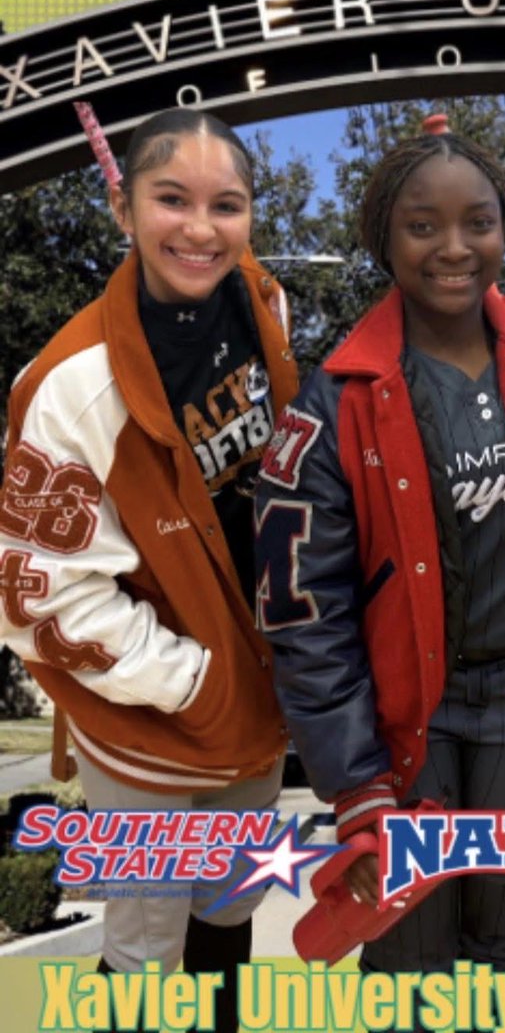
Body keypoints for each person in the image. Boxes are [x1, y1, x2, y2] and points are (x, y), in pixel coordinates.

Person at [254, 123, 505, 984]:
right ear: (382, 238)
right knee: (408, 947)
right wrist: (354, 779)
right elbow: (305, 613)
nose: (454, 248)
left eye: (478, 222)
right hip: (400, 708)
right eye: (422, 226)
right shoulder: (334, 405)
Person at [0, 108, 296, 1031]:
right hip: (149, 716)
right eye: (172, 200)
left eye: (226, 205)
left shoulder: (265, 302)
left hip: (257, 690)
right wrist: (200, 681)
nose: (200, 229)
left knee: (232, 906)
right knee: (145, 950)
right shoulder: (68, 386)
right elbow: (35, 599)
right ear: (123, 208)